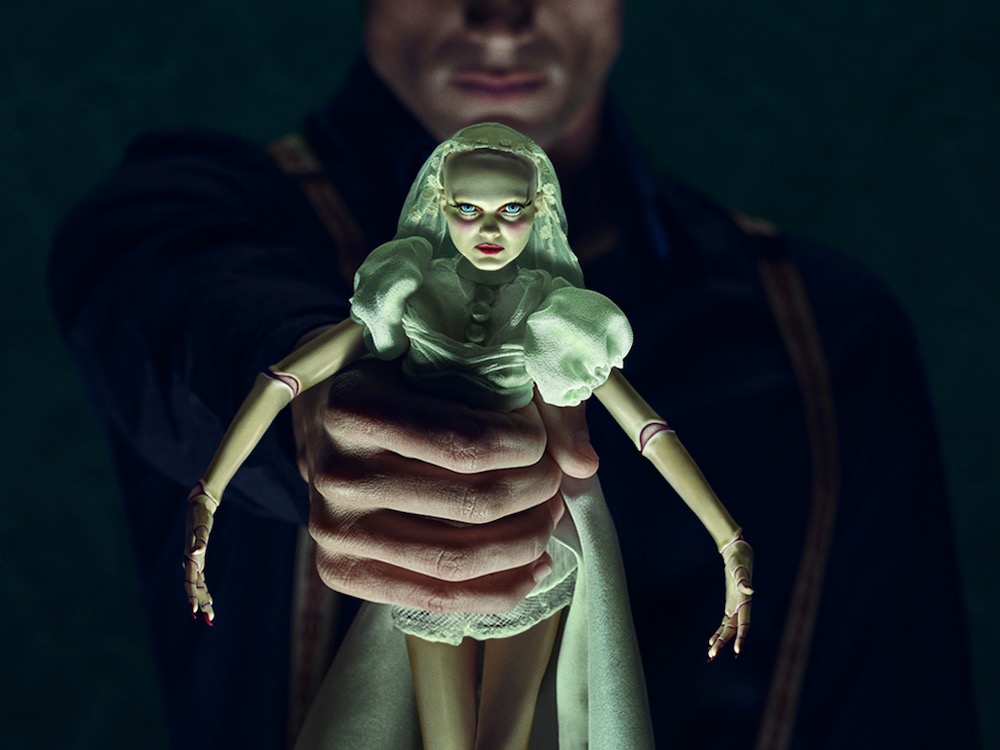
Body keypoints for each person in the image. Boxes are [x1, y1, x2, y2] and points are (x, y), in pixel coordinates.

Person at [48, 1, 976, 748]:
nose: (500, 18)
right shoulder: (188, 218)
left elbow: (903, 699)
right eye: (468, 212)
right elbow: (179, 306)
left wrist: (729, 541)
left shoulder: (826, 324)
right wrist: (310, 425)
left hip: (550, 571)